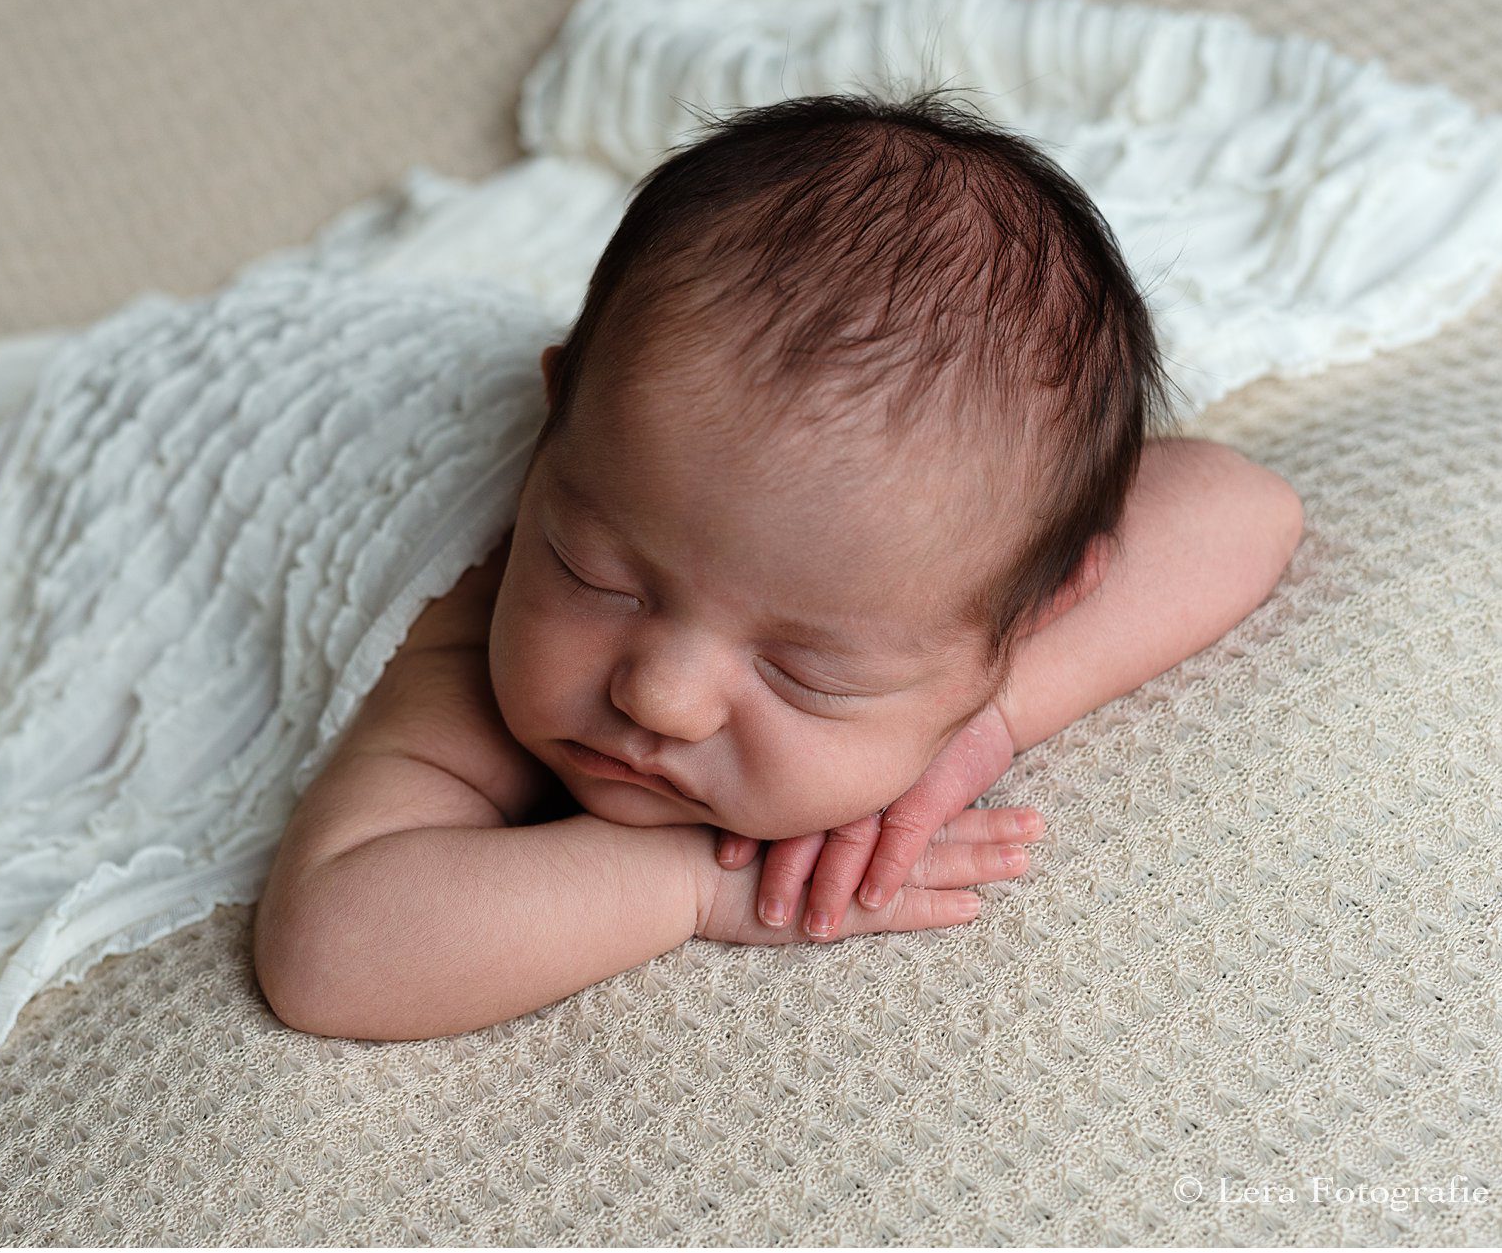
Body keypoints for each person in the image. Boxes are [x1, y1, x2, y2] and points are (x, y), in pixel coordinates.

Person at [251, 89, 1303, 1039]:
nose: (658, 696)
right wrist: (693, 886)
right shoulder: (480, 628)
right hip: (270, 412)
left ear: (1025, 614)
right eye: (599, 577)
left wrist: (974, 721)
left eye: (805, 671)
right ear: (549, 435)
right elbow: (331, 956)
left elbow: (1243, 508)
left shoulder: (919, 563)